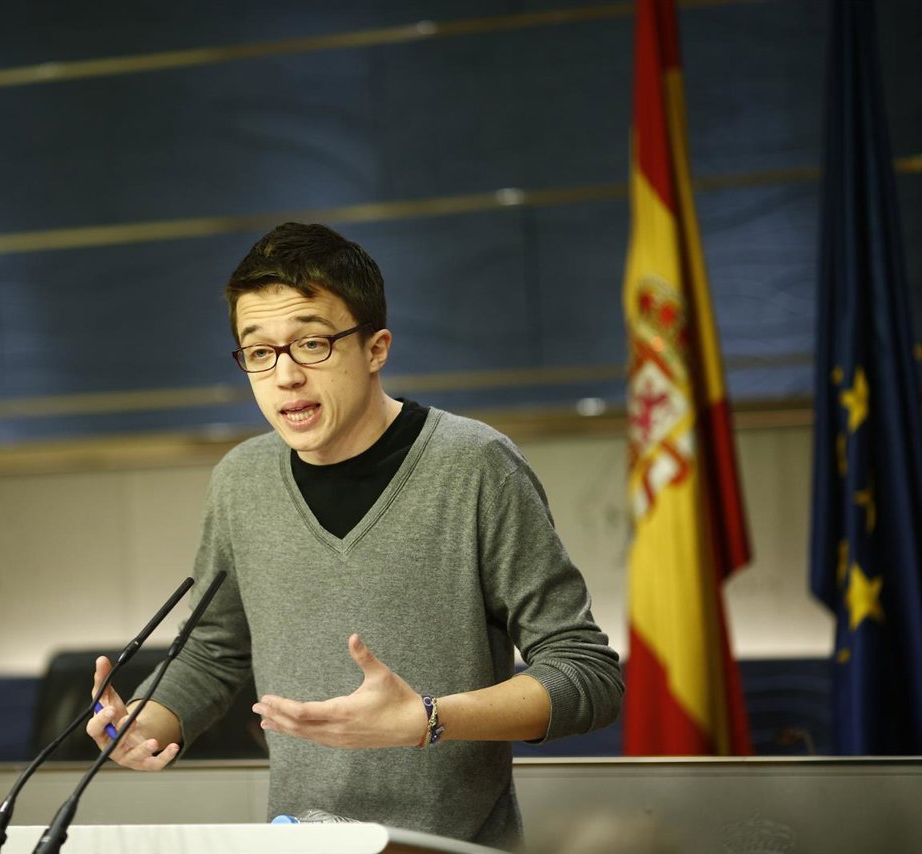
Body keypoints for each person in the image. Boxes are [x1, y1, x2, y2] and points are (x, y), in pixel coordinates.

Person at [86, 222, 623, 850]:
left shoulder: (475, 466)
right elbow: (214, 649)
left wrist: (427, 720)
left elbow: (587, 674)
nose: (284, 376)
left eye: (311, 343)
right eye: (259, 351)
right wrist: (147, 721)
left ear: (376, 348)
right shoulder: (241, 481)